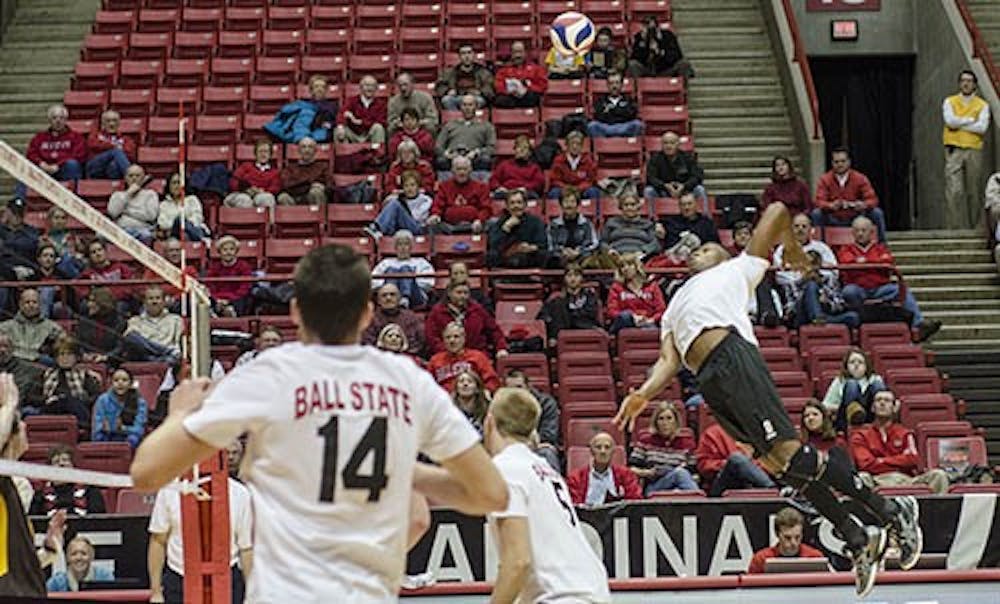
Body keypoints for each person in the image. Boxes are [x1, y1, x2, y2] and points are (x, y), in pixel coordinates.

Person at [130, 244, 509, 601]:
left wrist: (179, 412)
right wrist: (405, 473)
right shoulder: (409, 382)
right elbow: (491, 494)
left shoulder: (269, 375)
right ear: (366, 313)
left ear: (295, 311)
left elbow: (147, 473)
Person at [615, 201, 922, 596]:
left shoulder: (738, 268)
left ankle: (890, 510)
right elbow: (669, 360)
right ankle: (858, 538)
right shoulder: (674, 303)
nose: (697, 251)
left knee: (791, 454)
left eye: (705, 248)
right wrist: (643, 393)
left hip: (732, 357)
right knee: (785, 468)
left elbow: (777, 210)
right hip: (708, 380)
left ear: (721, 255)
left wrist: (791, 250)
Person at [484, 388, 612, 603]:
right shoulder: (544, 468)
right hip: (591, 591)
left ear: (489, 422)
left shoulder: (505, 469)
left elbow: (518, 562)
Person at [148, 462, 254, 604]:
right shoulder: (170, 491)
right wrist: (156, 592)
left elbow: (246, 548)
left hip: (227, 580)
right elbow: (158, 541)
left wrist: (252, 595)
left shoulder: (240, 493)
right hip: (179, 580)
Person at [837, 216, 941, 342]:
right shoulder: (846, 249)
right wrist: (874, 264)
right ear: (852, 233)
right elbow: (846, 263)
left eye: (863, 230)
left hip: (880, 288)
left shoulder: (881, 248)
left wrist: (862, 263)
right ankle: (857, 324)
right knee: (848, 292)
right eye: (857, 231)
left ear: (871, 232)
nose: (860, 234)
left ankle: (918, 325)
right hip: (858, 288)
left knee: (900, 289)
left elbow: (887, 263)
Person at [850, 390, 950, 495]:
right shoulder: (860, 435)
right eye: (878, 400)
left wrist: (880, 461)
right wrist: (899, 461)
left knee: (939, 475)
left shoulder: (905, 433)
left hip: (906, 480)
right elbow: (865, 464)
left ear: (894, 408)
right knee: (862, 478)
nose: (882, 403)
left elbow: (913, 459)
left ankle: (938, 511)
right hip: (877, 480)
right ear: (873, 408)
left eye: (887, 400)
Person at [943, 69, 992, 229]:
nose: (965, 83)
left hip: (974, 149)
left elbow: (982, 128)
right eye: (963, 80)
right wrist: (971, 120)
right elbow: (950, 121)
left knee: (974, 190)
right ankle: (954, 229)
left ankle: (975, 228)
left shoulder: (982, 105)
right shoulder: (950, 101)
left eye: (969, 81)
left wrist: (960, 123)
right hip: (954, 149)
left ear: (975, 84)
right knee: (954, 190)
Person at [812, 147, 887, 242]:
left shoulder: (860, 178)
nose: (840, 164)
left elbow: (873, 200)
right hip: (833, 217)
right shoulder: (825, 179)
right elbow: (818, 201)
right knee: (817, 214)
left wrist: (862, 205)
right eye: (836, 162)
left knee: (877, 213)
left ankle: (882, 246)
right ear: (832, 163)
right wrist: (830, 205)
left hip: (856, 217)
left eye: (843, 161)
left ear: (849, 162)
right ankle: (819, 247)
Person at [628, 401, 699, 495]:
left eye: (669, 418)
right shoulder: (645, 441)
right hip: (655, 487)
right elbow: (631, 469)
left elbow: (695, 474)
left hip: (680, 486)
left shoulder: (687, 443)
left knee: (680, 474)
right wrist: (648, 473)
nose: (665, 423)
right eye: (661, 419)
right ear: (656, 422)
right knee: (679, 473)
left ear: (676, 421)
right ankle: (699, 502)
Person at [18, 104, 85, 198]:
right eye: (54, 118)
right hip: (43, 170)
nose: (58, 121)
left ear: (66, 120)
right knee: (25, 170)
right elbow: (31, 154)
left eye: (61, 118)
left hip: (63, 170)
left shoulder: (76, 137)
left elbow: (79, 155)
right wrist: (41, 163)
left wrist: (59, 165)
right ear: (49, 120)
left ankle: (73, 198)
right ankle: (18, 203)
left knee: (72, 164)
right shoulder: (39, 138)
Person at [425, 280, 508, 356]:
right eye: (459, 292)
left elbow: (494, 330)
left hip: (476, 357)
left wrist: (501, 348)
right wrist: (451, 352)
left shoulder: (477, 310)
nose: (463, 296)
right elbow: (432, 338)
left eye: (466, 293)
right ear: (449, 293)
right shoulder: (437, 312)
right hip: (445, 357)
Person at [501, 371, 560, 472]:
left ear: (528, 387)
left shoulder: (546, 403)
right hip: (511, 446)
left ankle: (553, 486)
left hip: (538, 445)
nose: (516, 392)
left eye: (519, 387)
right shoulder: (502, 405)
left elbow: (549, 434)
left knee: (547, 453)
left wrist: (530, 443)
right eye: (511, 389)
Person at [37, 336, 102, 429]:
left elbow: (95, 397)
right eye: (61, 354)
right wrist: (48, 399)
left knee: (69, 402)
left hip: (77, 411)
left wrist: (79, 399)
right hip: (51, 410)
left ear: (76, 357)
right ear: (56, 357)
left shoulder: (85, 375)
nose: (65, 358)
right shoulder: (47, 374)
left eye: (69, 354)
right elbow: (33, 397)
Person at [696, 422, 776, 496]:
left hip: (755, 481)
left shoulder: (758, 432)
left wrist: (750, 466)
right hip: (724, 485)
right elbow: (703, 466)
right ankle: (773, 491)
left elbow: (769, 464)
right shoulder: (713, 433)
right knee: (737, 459)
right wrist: (728, 465)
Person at [566, 431, 642, 505]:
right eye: (598, 447)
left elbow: (634, 502)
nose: (603, 451)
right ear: (591, 451)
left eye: (607, 447)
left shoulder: (626, 475)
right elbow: (574, 505)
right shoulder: (576, 478)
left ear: (613, 451)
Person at [29, 444, 106, 517]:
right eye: (56, 462)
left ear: (73, 466)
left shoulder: (90, 490)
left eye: (65, 460)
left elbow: (99, 521)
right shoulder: (40, 495)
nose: (61, 464)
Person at [821, 347, 886, 431]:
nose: (856, 365)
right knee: (852, 384)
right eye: (852, 362)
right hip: (847, 419)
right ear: (846, 366)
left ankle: (882, 422)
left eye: (860, 362)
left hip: (872, 414)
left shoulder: (875, 379)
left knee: (877, 385)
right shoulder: (839, 381)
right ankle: (855, 414)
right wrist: (840, 406)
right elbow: (825, 406)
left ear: (866, 366)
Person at [746, 507, 825, 574]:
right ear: (777, 534)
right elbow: (749, 589)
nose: (793, 543)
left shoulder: (815, 557)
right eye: (787, 537)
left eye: (797, 537)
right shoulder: (761, 559)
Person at [428, 322, 500, 393]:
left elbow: (492, 380)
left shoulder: (478, 357)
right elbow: (427, 385)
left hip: (472, 399)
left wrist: (487, 391)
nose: (452, 340)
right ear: (443, 340)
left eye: (456, 336)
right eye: (448, 337)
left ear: (464, 339)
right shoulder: (435, 360)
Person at [537, 263, 600, 344]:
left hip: (584, 331)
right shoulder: (557, 298)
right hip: (562, 334)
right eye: (569, 276)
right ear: (564, 278)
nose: (572, 279)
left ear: (582, 278)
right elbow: (542, 316)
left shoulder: (589, 295)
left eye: (576, 275)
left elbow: (590, 315)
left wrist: (569, 315)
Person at [428, 156, 491, 234]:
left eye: (465, 169)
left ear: (470, 170)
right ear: (452, 170)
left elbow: (486, 208)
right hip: (448, 227)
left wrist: (480, 220)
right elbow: (438, 205)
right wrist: (435, 215)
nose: (462, 172)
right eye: (458, 169)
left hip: (474, 226)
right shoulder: (444, 186)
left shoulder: (481, 187)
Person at [371, 230, 435, 308]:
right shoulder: (385, 263)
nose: (403, 248)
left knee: (405, 269)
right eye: (400, 244)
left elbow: (428, 284)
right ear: (395, 247)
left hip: (415, 297)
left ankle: (405, 299)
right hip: (388, 297)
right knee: (391, 270)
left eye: (406, 244)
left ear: (411, 247)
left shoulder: (421, 262)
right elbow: (374, 282)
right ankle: (393, 299)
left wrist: (410, 283)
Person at [606, 252, 666, 334]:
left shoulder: (652, 286)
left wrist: (651, 320)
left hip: (647, 323)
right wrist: (633, 318)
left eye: (629, 265)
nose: (626, 269)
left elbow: (661, 310)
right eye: (622, 266)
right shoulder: (616, 287)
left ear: (637, 267)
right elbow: (612, 311)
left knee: (652, 330)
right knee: (625, 316)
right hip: (624, 324)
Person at [119, 286, 183, 363]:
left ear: (164, 302)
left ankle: (160, 356)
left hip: (168, 359)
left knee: (172, 359)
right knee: (131, 336)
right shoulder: (135, 320)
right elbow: (133, 342)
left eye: (158, 298)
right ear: (144, 302)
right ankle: (165, 352)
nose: (154, 301)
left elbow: (177, 342)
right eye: (151, 298)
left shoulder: (175, 319)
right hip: (144, 357)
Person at [0, 287, 64, 362]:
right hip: (13, 362)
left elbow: (64, 345)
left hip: (41, 363)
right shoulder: (5, 327)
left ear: (40, 304)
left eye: (34, 302)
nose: (31, 305)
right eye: (27, 302)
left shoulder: (52, 327)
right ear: (20, 305)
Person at [644, 131, 707, 207]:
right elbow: (651, 178)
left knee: (700, 189)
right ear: (661, 145)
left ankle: (704, 217)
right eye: (665, 143)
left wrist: (684, 186)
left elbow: (697, 176)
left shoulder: (688, 157)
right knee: (648, 191)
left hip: (685, 192)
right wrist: (665, 186)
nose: (668, 146)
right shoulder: (655, 158)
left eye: (672, 143)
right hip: (663, 191)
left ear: (678, 144)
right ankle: (651, 217)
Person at [434, 94, 496, 172]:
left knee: (485, 160)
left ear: (476, 107)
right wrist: (446, 154)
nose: (467, 108)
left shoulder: (486, 126)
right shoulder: (449, 125)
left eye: (470, 105)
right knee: (441, 161)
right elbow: (438, 146)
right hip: (452, 159)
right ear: (460, 107)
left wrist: (477, 153)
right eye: (464, 105)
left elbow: (491, 147)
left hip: (474, 159)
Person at [486, 189, 547, 268]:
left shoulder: (536, 222)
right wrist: (506, 228)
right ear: (507, 206)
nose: (516, 206)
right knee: (490, 256)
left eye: (519, 202)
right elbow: (493, 246)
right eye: (512, 203)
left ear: (525, 205)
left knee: (543, 255)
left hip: (529, 258)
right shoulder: (499, 223)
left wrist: (530, 247)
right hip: (505, 260)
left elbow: (542, 244)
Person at [361, 283, 426, 356]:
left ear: (399, 298)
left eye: (392, 294)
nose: (388, 298)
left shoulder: (411, 317)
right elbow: (367, 344)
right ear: (378, 301)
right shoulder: (371, 319)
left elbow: (419, 342)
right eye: (384, 295)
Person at [93, 367, 148, 448]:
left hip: (128, 437)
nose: (120, 383)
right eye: (116, 380)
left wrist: (123, 428)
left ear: (131, 383)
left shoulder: (140, 402)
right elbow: (97, 427)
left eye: (124, 380)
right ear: (111, 383)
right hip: (108, 436)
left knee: (134, 439)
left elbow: (139, 430)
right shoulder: (102, 400)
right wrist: (104, 428)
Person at [204, 235, 255, 317]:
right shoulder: (214, 267)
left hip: (236, 300)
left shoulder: (244, 266)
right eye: (225, 249)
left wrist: (228, 300)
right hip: (218, 300)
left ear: (236, 251)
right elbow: (210, 286)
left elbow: (245, 287)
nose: (228, 252)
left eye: (231, 249)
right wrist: (218, 299)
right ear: (220, 252)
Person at [547, 188, 599, 266]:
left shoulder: (586, 223)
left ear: (577, 204)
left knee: (592, 260)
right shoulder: (554, 225)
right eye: (566, 202)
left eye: (572, 202)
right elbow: (550, 244)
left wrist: (579, 251)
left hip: (582, 256)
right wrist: (563, 251)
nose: (569, 205)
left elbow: (593, 243)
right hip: (561, 257)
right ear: (561, 204)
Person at [628, 16, 693, 78]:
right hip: (647, 70)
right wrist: (643, 44)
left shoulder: (668, 36)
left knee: (684, 64)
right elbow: (635, 58)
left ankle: (683, 87)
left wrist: (660, 52)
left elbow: (677, 56)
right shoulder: (639, 37)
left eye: (653, 28)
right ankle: (636, 88)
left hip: (665, 69)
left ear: (658, 27)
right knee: (633, 65)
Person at [108, 164, 159, 243]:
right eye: (130, 176)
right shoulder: (118, 195)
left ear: (143, 178)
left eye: (137, 176)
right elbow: (113, 213)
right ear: (125, 178)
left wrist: (126, 211)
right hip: (122, 230)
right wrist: (128, 194)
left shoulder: (150, 194)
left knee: (146, 235)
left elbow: (151, 216)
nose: (134, 178)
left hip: (143, 230)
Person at [599, 192, 660, 257]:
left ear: (638, 206)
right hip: (616, 257)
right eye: (626, 205)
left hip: (640, 257)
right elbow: (602, 242)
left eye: (633, 204)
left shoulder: (647, 224)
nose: (629, 208)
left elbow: (655, 244)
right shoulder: (611, 222)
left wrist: (644, 251)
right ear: (621, 207)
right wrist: (610, 250)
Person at [435, 44, 495, 110]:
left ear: (473, 55)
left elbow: (489, 86)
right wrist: (447, 91)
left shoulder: (483, 71)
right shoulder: (450, 72)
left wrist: (481, 92)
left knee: (479, 100)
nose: (467, 56)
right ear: (459, 56)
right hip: (457, 97)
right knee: (446, 100)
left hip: (475, 97)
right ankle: (456, 119)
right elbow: (439, 85)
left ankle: (473, 119)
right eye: (463, 53)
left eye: (469, 53)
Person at [46, 536, 115, 592]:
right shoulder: (56, 582)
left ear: (92, 556)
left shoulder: (105, 577)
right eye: (74, 554)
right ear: (67, 558)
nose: (79, 558)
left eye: (84, 553)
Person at [225, 139, 281, 208]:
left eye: (266, 152)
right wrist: (247, 189)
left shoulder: (275, 172)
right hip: (243, 193)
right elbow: (234, 181)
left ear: (270, 154)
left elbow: (275, 188)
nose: (263, 154)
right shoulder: (245, 166)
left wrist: (262, 190)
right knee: (244, 200)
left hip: (262, 194)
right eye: (260, 151)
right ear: (255, 154)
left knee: (266, 198)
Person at [77, 287, 126, 363]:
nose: (88, 304)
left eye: (93, 301)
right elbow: (78, 343)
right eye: (89, 301)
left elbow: (120, 347)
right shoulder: (84, 321)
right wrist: (84, 354)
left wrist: (106, 357)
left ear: (103, 303)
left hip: (112, 362)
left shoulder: (119, 322)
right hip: (87, 361)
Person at [588, 71, 643, 138]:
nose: (614, 86)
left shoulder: (629, 100)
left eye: (617, 83)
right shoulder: (600, 101)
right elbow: (599, 116)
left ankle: (631, 146)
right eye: (611, 83)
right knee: (593, 125)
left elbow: (631, 115)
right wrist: (620, 111)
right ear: (607, 85)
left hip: (624, 127)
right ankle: (602, 147)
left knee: (637, 124)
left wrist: (611, 110)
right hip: (606, 127)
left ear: (621, 84)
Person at [277, 136, 330, 206]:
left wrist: (324, 187)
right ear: (299, 150)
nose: (307, 150)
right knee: (283, 197)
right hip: (295, 198)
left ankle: (318, 217)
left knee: (316, 192)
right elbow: (286, 185)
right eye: (304, 147)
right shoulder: (290, 168)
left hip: (314, 197)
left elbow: (331, 185)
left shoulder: (322, 167)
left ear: (315, 150)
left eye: (310, 147)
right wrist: (310, 183)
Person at [334, 75, 388, 144]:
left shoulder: (381, 104)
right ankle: (345, 153)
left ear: (376, 88)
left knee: (378, 128)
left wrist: (361, 122)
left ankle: (378, 153)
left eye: (372, 86)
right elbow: (341, 114)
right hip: (354, 134)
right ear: (361, 87)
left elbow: (381, 121)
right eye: (367, 85)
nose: (370, 88)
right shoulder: (352, 101)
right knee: (338, 130)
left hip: (370, 134)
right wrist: (340, 125)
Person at [158, 171, 210, 242]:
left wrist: (186, 223)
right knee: (179, 220)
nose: (177, 186)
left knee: (185, 234)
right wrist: (178, 223)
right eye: (174, 183)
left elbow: (197, 218)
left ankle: (197, 236)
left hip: (194, 229)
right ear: (169, 186)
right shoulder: (164, 204)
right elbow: (162, 223)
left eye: (179, 182)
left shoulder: (192, 199)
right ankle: (200, 238)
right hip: (174, 232)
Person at [494, 41, 548, 108]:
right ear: (511, 53)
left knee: (532, 97)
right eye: (515, 52)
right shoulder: (503, 70)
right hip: (510, 97)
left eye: (520, 52)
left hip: (528, 97)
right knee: (500, 100)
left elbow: (542, 86)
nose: (518, 55)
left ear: (525, 53)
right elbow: (498, 86)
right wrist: (509, 91)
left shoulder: (536, 69)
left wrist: (528, 87)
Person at [489, 134, 545, 199]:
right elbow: (493, 179)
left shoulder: (534, 168)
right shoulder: (504, 165)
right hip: (506, 192)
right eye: (519, 147)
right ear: (515, 150)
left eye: (525, 148)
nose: (521, 150)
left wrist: (525, 188)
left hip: (525, 192)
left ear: (529, 152)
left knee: (532, 195)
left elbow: (538, 183)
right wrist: (499, 187)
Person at [547, 131, 599, 200]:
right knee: (554, 192)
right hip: (563, 190)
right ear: (567, 145)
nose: (575, 147)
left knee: (593, 191)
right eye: (572, 143)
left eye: (578, 144)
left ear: (581, 146)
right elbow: (555, 180)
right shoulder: (558, 160)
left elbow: (590, 180)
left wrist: (578, 188)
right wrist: (566, 188)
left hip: (582, 190)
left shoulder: (588, 161)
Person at [85, 109, 135, 180]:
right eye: (108, 121)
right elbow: (93, 145)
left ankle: (114, 188)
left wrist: (109, 147)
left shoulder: (126, 139)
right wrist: (114, 147)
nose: (112, 124)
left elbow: (130, 155)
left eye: (114, 121)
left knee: (113, 165)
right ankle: (132, 178)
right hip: (95, 167)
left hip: (113, 170)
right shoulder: (95, 135)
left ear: (119, 123)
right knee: (116, 152)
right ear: (103, 123)